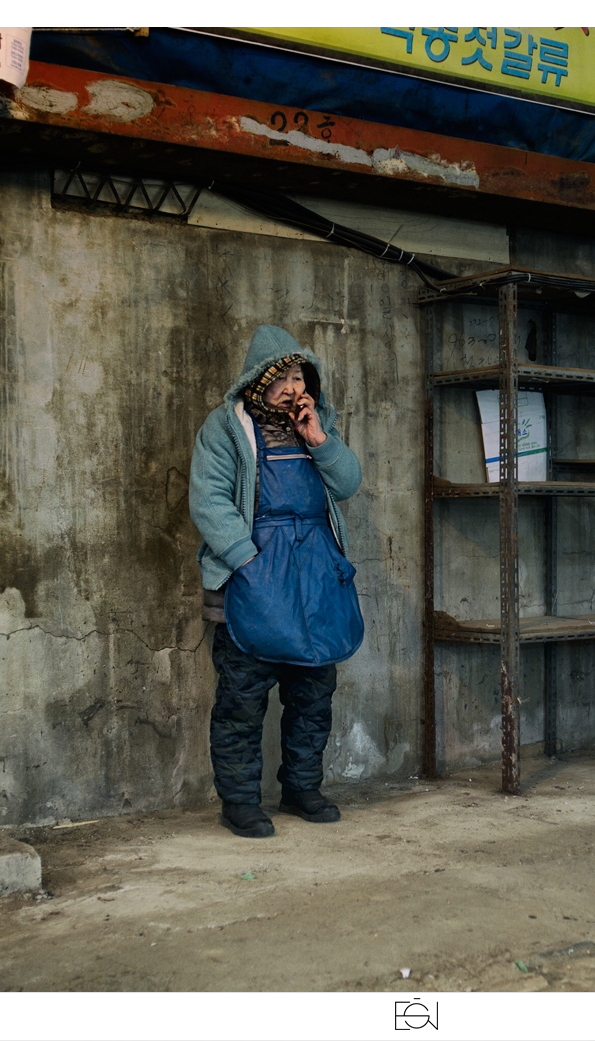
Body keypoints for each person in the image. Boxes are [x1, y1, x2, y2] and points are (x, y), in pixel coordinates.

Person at [189, 325, 364, 838]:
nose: (292, 388)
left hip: (314, 580)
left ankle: (302, 789)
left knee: (313, 693)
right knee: (241, 699)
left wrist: (319, 439)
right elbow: (209, 499)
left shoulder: (316, 425)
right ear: (258, 382)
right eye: (282, 378)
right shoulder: (225, 427)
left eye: (299, 377)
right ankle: (240, 802)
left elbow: (348, 483)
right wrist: (248, 562)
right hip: (254, 579)